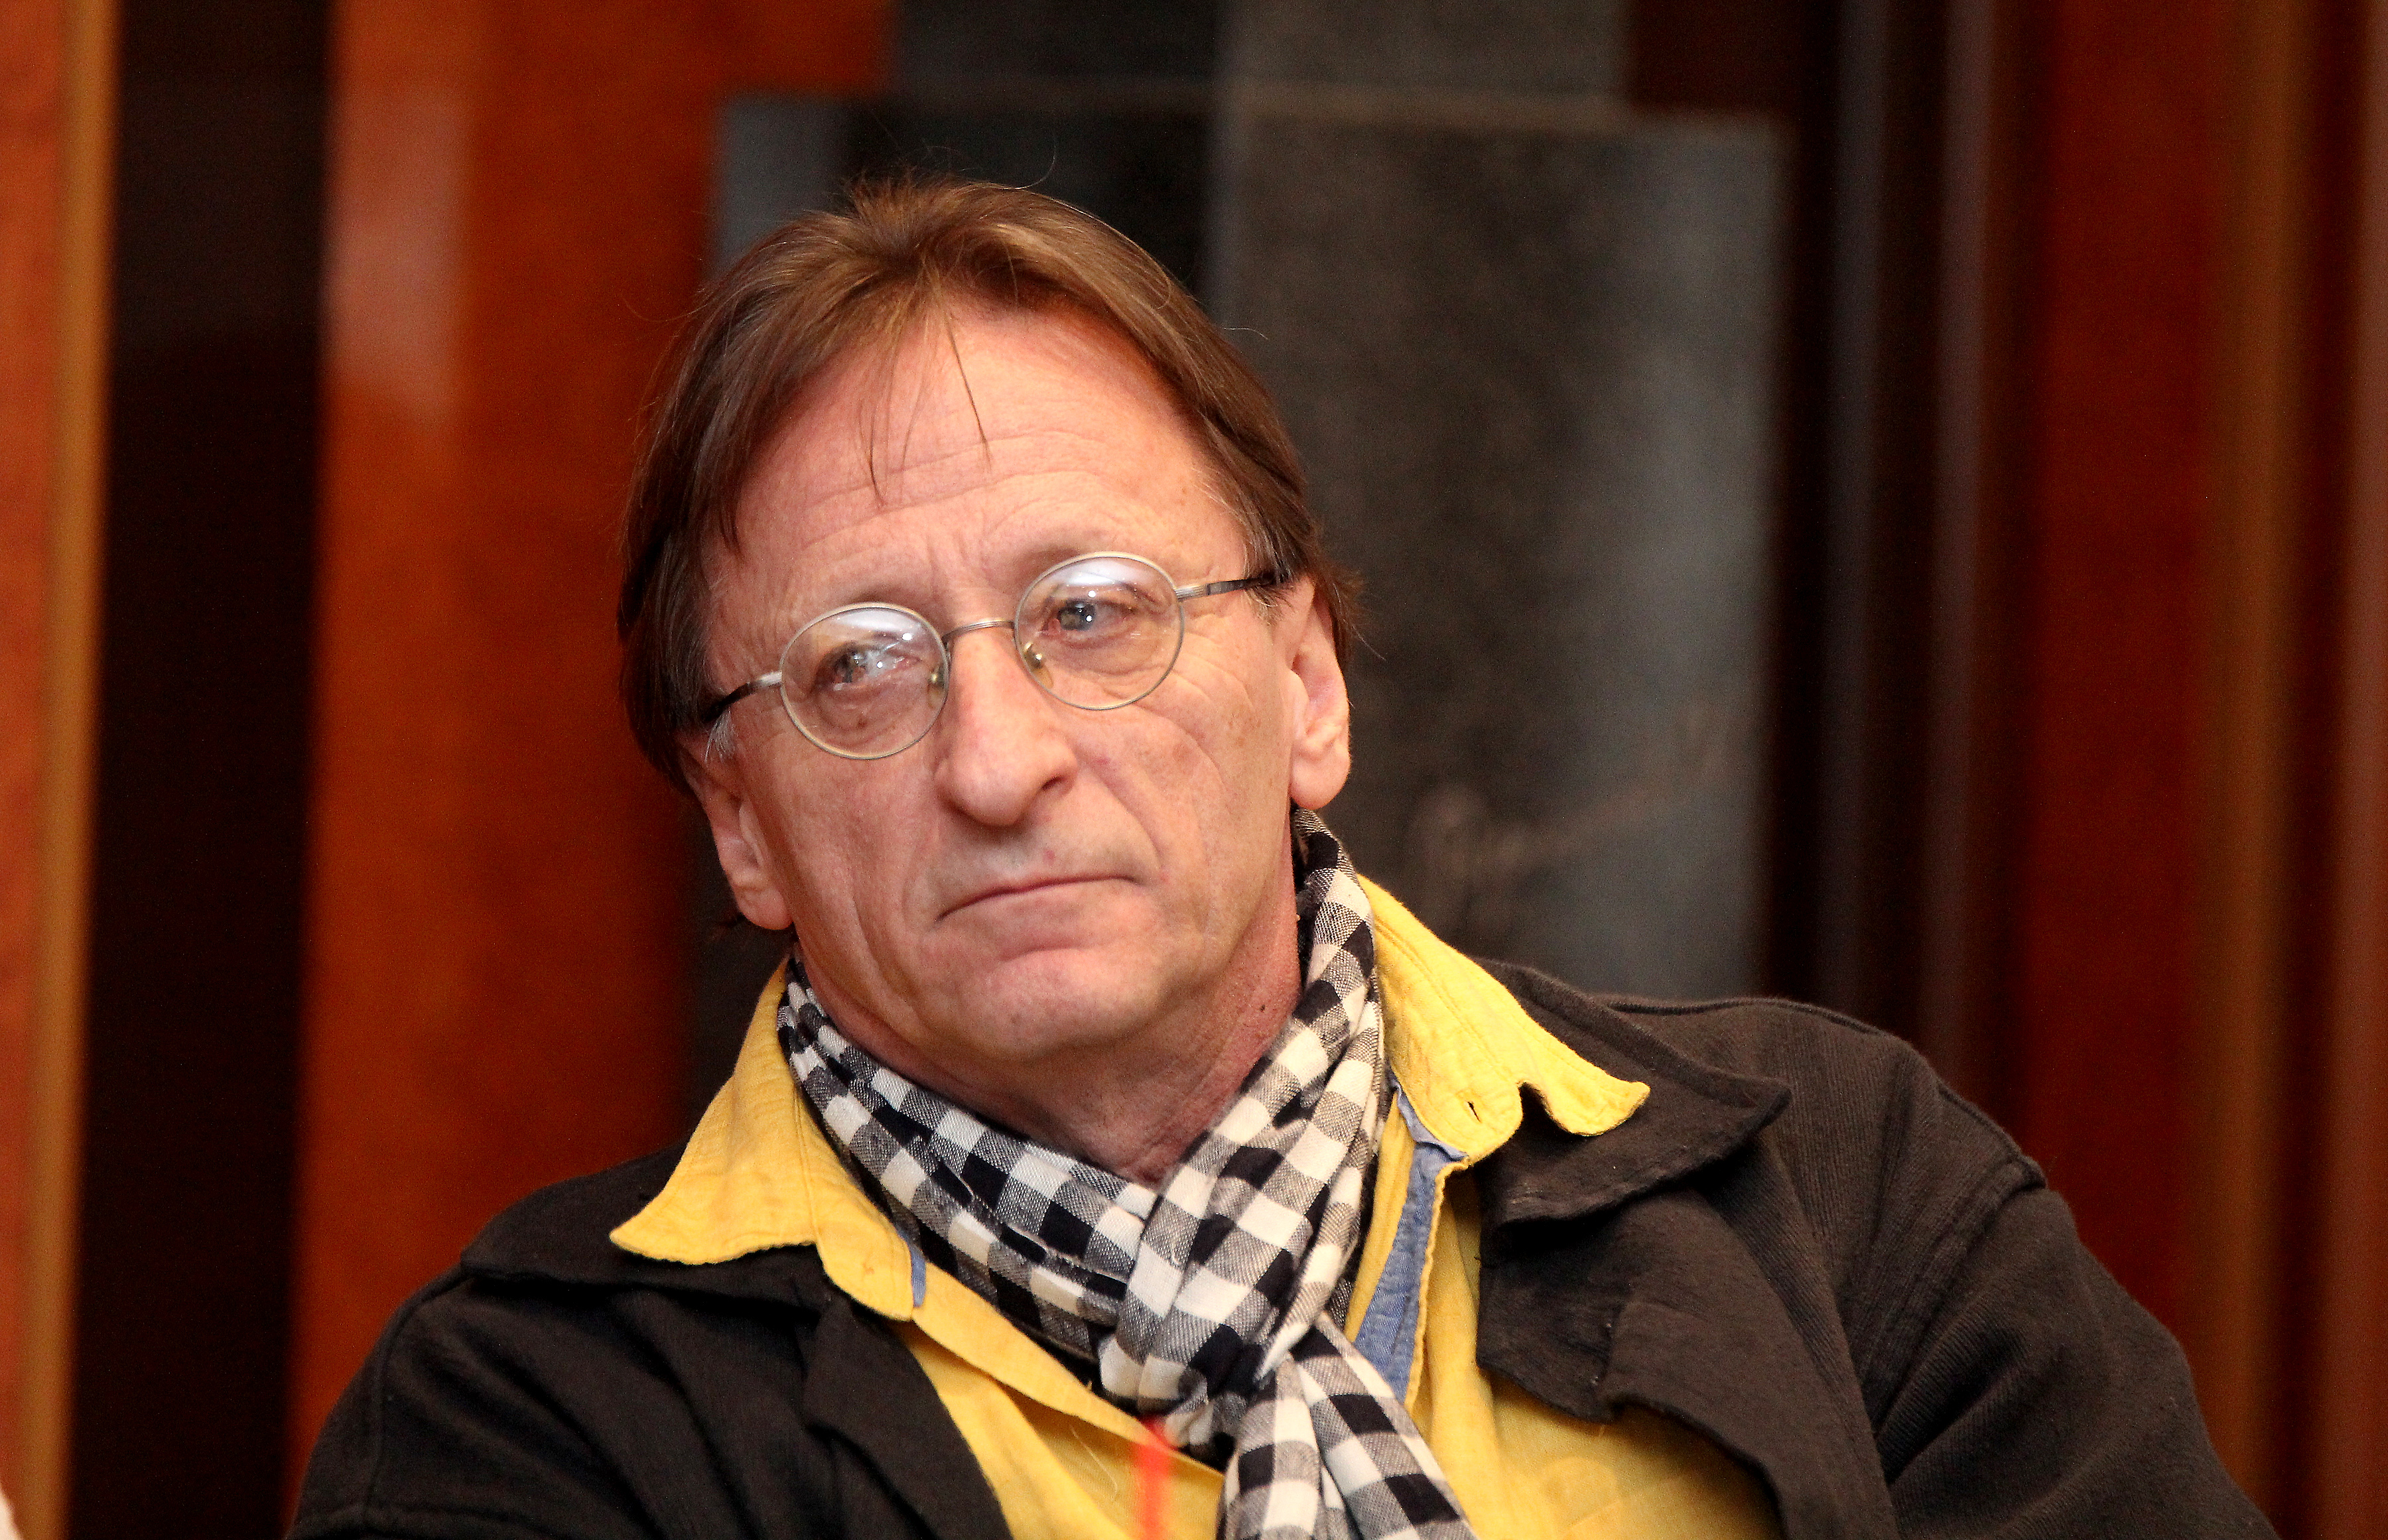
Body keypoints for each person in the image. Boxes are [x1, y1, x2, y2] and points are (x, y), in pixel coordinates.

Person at [290, 178, 2271, 1540]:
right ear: (742, 819)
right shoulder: (530, 1423)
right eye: (860, 668)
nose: (1001, 761)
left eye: (1092, 613)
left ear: (1308, 681)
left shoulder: (1836, 1198)